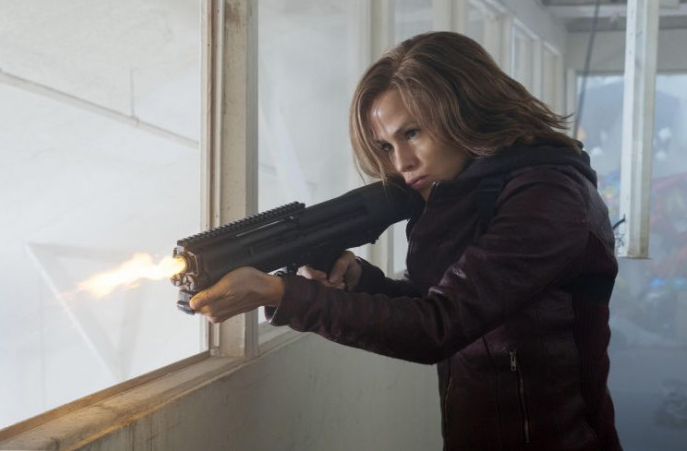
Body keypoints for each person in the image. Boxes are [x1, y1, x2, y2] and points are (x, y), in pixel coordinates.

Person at [189, 31, 622, 450]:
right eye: (386, 146)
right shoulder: (480, 191)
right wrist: (361, 280)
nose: (401, 163)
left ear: (467, 109)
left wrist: (282, 294)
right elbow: (444, 303)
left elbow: (439, 327)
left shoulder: (548, 196)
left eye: (412, 133)